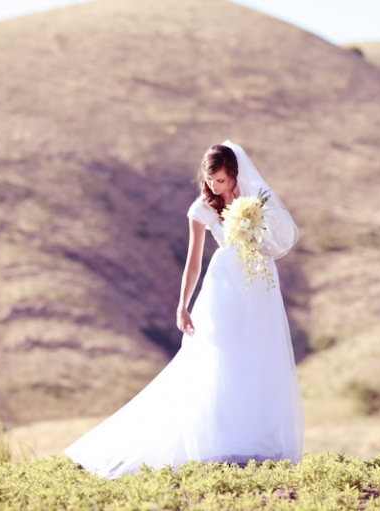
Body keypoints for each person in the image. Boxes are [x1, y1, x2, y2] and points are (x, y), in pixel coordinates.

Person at [64, 140, 304, 478]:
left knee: (257, 356)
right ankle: (220, 440)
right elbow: (193, 264)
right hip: (224, 286)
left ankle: (256, 441)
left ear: (234, 175)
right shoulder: (201, 209)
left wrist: (256, 237)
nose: (214, 186)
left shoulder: (257, 200)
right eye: (210, 180)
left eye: (221, 180)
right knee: (220, 355)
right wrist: (182, 305)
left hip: (258, 285)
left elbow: (274, 243)